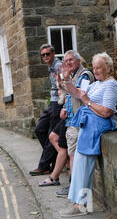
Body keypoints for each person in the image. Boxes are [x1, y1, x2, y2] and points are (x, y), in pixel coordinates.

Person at [59, 52, 117, 217]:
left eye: (99, 67)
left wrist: (88, 102)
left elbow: (107, 111)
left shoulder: (111, 84)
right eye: (94, 67)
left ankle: (81, 206)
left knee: (84, 167)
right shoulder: (97, 84)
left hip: (96, 127)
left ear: (108, 67)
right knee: (79, 165)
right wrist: (66, 79)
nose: (96, 70)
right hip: (88, 127)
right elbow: (77, 93)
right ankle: (78, 204)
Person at [39, 50, 95, 189]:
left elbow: (79, 94)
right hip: (71, 118)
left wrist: (65, 80)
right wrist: (65, 107)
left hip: (80, 120)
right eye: (66, 60)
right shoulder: (74, 74)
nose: (68, 62)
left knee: (73, 155)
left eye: (70, 60)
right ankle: (71, 185)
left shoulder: (85, 75)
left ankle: (73, 187)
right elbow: (70, 94)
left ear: (78, 60)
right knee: (69, 152)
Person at [29, 44, 63, 176]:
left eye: (47, 54)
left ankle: (44, 166)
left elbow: (64, 84)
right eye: (43, 55)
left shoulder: (58, 66)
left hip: (58, 103)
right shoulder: (51, 67)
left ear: (53, 54)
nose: (45, 57)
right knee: (39, 129)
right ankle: (53, 157)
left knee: (51, 134)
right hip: (53, 102)